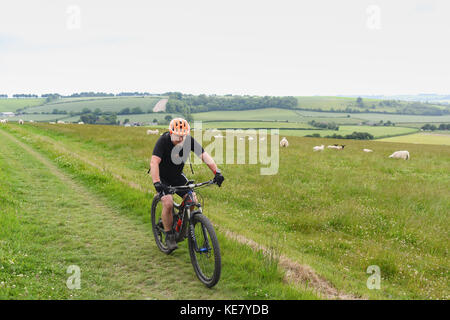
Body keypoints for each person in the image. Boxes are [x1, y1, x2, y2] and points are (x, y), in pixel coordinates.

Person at [150, 118, 224, 250]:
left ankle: (182, 225)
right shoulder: (163, 141)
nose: (180, 139)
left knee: (192, 200)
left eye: (183, 136)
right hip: (162, 178)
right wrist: (157, 182)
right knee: (167, 202)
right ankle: (169, 235)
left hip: (177, 176)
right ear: (171, 133)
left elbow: (204, 156)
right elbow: (154, 162)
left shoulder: (188, 141)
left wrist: (216, 172)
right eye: (178, 136)